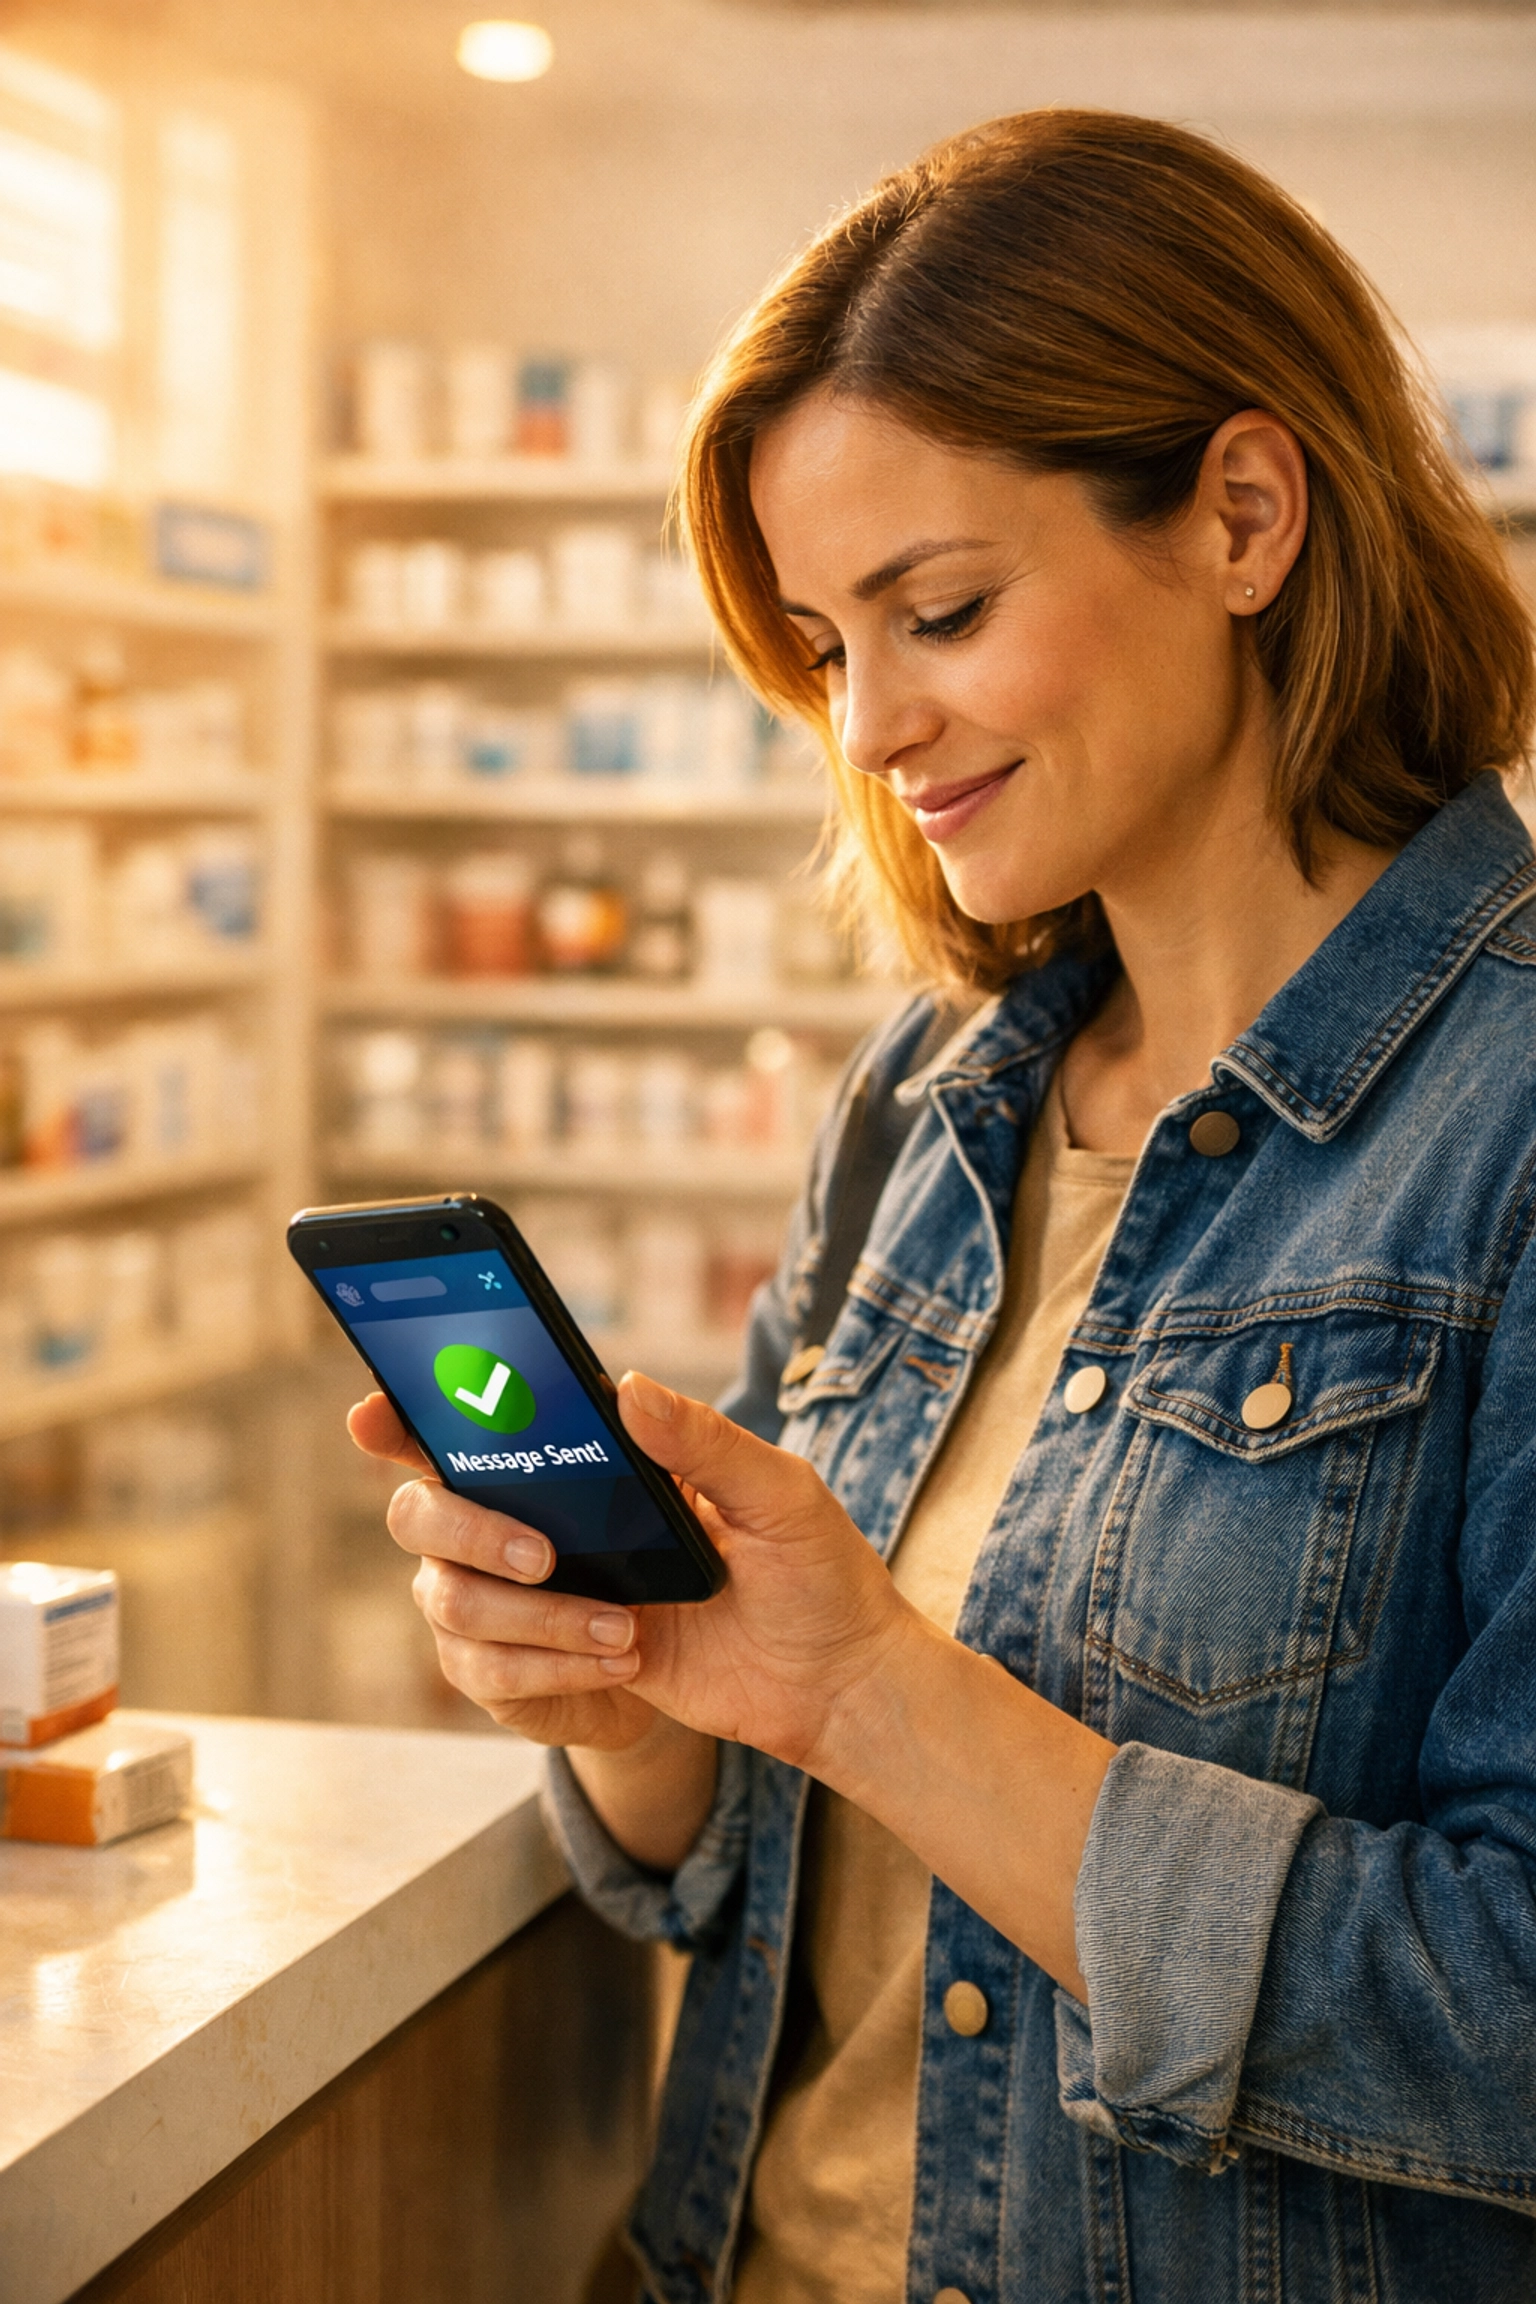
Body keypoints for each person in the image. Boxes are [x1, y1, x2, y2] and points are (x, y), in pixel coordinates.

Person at [349, 110, 1536, 2304]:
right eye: (822, 642)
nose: (869, 721)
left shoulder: (1509, 1129)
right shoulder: (931, 1103)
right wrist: (627, 1708)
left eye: (943, 611)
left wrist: (880, 1696)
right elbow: (750, 1874)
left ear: (1245, 515)